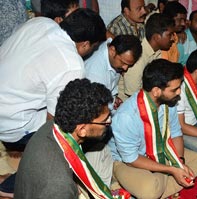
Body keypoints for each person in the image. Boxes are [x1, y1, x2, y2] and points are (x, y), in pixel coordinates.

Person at [0, 8, 106, 197]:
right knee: (75, 131)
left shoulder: (41, 22)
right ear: (85, 44)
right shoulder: (71, 64)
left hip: (6, 99)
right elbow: (56, 126)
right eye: (94, 48)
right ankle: (10, 186)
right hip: (9, 120)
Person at [109, 59, 197, 198]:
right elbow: (131, 159)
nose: (179, 92)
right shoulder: (126, 117)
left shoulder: (169, 101)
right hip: (127, 161)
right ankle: (131, 180)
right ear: (156, 91)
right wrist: (171, 169)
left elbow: (176, 133)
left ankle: (158, 181)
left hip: (162, 149)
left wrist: (179, 161)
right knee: (150, 191)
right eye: (174, 89)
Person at [14, 78, 119, 198]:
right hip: (55, 188)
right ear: (82, 130)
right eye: (105, 120)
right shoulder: (60, 186)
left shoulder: (53, 125)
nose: (109, 122)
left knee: (102, 151)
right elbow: (58, 186)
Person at [119, 13, 175, 101]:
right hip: (129, 104)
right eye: (170, 35)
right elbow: (134, 96)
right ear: (156, 37)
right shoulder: (137, 58)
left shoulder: (157, 51)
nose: (173, 38)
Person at [85, 35, 142, 111]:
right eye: (123, 62)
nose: (125, 68)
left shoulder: (114, 53)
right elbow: (97, 105)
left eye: (129, 65)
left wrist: (114, 99)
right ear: (112, 51)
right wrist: (112, 103)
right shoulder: (95, 72)